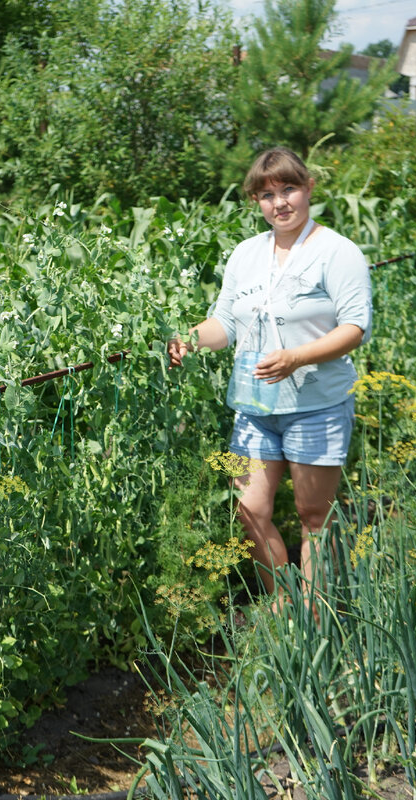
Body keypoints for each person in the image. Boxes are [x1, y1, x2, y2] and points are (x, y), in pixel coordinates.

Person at [167, 146, 372, 610]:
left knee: (313, 514)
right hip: (255, 407)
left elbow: (354, 328)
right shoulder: (246, 254)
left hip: (316, 404)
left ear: (308, 189)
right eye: (266, 195)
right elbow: (225, 323)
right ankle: (285, 601)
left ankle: (319, 618)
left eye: (288, 190)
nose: (279, 203)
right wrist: (190, 340)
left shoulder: (336, 252)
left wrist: (297, 357)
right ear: (256, 202)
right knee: (250, 509)